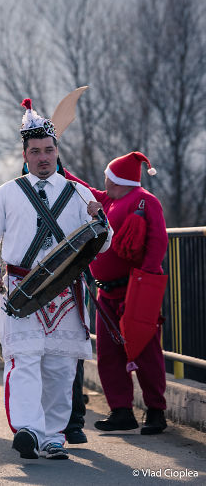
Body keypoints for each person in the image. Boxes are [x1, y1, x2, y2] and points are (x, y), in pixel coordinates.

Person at [0, 99, 111, 461]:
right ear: (25, 154)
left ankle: (53, 435)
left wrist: (100, 220)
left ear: (57, 151)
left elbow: (104, 242)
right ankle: (28, 430)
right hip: (20, 290)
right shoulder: (7, 192)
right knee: (23, 362)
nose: (43, 157)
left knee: (60, 368)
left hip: (65, 293)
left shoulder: (80, 193)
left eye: (48, 150)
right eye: (35, 151)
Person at [66, 152, 169, 435]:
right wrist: (60, 167)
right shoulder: (110, 200)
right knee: (109, 353)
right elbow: (84, 188)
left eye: (108, 175)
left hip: (135, 291)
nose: (104, 180)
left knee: (146, 351)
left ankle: (156, 410)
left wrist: (145, 283)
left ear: (117, 178)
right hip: (107, 292)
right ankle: (121, 410)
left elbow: (158, 241)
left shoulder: (145, 201)